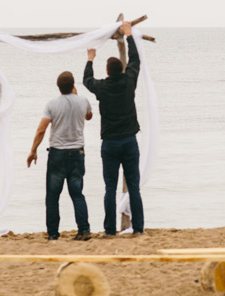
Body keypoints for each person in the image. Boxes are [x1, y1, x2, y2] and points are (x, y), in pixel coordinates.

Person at [84, 21, 145, 237]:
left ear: (108, 72)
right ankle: (138, 229)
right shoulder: (129, 82)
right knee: (134, 187)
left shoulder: (102, 87)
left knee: (110, 188)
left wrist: (90, 58)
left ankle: (109, 231)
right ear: (122, 69)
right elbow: (135, 59)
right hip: (129, 141)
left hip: (110, 143)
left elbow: (87, 80)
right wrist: (129, 35)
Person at [27, 71, 93, 241]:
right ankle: (84, 230)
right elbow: (89, 116)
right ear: (73, 85)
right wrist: (77, 96)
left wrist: (33, 150)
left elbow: (41, 129)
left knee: (52, 195)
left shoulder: (52, 105)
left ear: (58, 87)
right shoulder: (83, 101)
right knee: (77, 193)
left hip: (57, 153)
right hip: (77, 152)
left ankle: (53, 233)